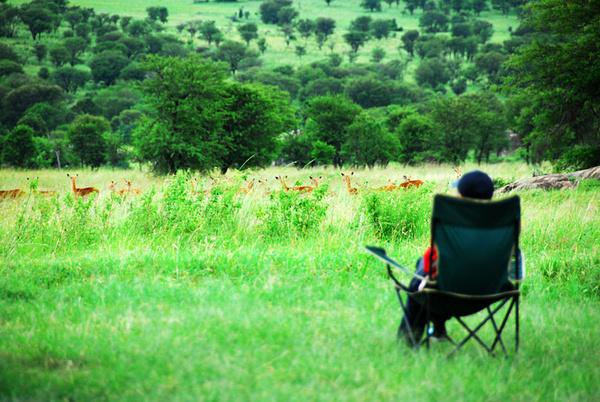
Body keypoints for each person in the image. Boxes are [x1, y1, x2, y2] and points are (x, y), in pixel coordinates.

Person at [399, 170, 495, 344]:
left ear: (461, 196)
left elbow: (430, 265)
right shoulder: (500, 220)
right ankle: (438, 329)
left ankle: (407, 341)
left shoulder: (451, 221)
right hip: (489, 290)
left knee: (419, 281)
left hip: (448, 292)